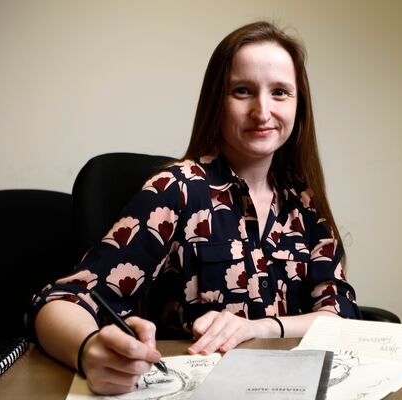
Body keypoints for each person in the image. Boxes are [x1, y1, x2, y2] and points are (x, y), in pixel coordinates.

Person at [29, 20, 360, 395]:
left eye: (281, 92)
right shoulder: (178, 189)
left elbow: (340, 314)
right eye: (242, 91)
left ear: (299, 106)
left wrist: (262, 327)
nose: (262, 110)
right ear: (216, 101)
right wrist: (89, 350)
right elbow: (61, 302)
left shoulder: (304, 204)